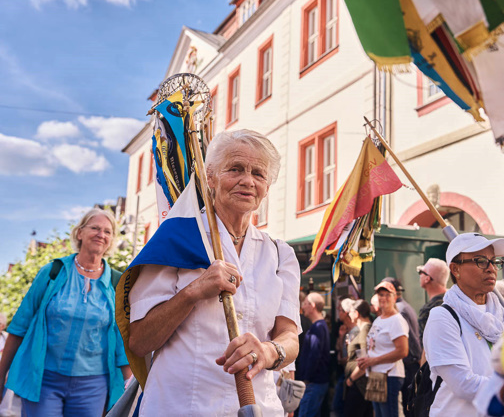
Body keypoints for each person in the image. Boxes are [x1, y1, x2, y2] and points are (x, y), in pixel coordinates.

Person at [127, 130, 301, 415]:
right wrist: (194, 291)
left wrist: (269, 352)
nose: (247, 180)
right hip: (181, 406)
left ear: (267, 187)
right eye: (235, 169)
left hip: (257, 405)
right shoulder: (177, 240)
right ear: (210, 177)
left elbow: (289, 336)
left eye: (259, 174)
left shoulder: (281, 254)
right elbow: (140, 341)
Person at [0, 209, 131, 416]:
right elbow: (19, 326)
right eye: (95, 228)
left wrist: (128, 386)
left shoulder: (117, 283)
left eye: (107, 231)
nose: (101, 234)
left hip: (93, 386)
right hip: (44, 379)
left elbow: (122, 340)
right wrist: (1, 375)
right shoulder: (53, 272)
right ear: (79, 233)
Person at [424, 233, 504, 416]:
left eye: (494, 261)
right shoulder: (443, 317)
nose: (491, 268)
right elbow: (463, 384)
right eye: (481, 261)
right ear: (455, 269)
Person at [357, 281, 408, 417]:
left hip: (389, 376)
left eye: (387, 295)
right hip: (376, 375)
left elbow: (403, 351)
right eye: (380, 295)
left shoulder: (396, 320)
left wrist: (373, 361)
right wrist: (367, 359)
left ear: (394, 297)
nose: (383, 298)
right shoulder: (379, 319)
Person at [381, 276, 422, 416]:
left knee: (408, 407)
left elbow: (406, 342)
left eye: (386, 294)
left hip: (408, 364)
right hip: (411, 362)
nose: (382, 298)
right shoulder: (404, 306)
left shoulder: (400, 309)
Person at [297, 292, 330, 417]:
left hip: (313, 383)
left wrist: (306, 379)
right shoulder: (319, 326)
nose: (303, 307)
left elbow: (314, 355)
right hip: (315, 382)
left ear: (312, 305)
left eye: (305, 304)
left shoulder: (318, 327)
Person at [344, 300, 374, 417]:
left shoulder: (365, 329)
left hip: (359, 385)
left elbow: (364, 358)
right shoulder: (363, 330)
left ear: (356, 313)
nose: (349, 314)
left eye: (350, 312)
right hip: (359, 384)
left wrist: (351, 379)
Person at [333, 297, 357, 417]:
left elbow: (354, 356)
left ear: (347, 313)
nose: (338, 311)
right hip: (344, 372)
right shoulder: (345, 330)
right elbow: (340, 351)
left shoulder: (356, 331)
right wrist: (341, 337)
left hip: (352, 375)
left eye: (340, 309)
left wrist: (345, 360)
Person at [417, 258, 449, 341]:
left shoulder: (428, 310)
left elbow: (427, 346)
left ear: (427, 279)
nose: (419, 275)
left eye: (421, 272)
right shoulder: (456, 301)